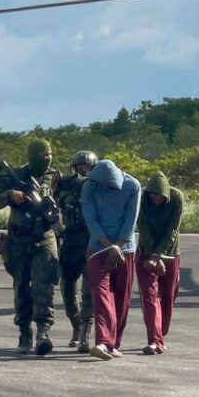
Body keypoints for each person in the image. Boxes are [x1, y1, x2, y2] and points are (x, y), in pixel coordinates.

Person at [0, 138, 62, 356]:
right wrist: (10, 196)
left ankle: (43, 333)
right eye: (42, 155)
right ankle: (24, 332)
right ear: (32, 156)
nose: (47, 159)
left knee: (44, 287)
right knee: (21, 287)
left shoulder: (55, 177)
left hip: (45, 238)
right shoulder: (15, 176)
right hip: (19, 240)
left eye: (49, 155)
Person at [81, 159, 141, 360]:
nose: (104, 187)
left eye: (108, 185)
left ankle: (114, 344)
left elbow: (130, 221)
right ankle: (103, 342)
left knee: (122, 297)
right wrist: (108, 246)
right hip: (98, 247)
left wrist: (119, 246)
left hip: (126, 247)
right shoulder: (89, 186)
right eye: (101, 183)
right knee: (101, 294)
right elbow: (91, 219)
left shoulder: (133, 186)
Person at [55, 150, 98, 352]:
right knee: (67, 288)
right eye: (80, 166)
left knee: (88, 291)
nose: (83, 169)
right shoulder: (64, 184)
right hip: (69, 241)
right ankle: (75, 326)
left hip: (90, 243)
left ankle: (85, 334)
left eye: (87, 167)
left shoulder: (98, 186)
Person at [136, 172, 183, 355]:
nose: (155, 198)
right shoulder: (142, 199)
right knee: (149, 297)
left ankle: (160, 334)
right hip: (146, 254)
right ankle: (154, 340)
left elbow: (173, 228)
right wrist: (152, 256)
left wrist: (160, 254)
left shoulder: (176, 197)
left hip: (170, 253)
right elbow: (143, 228)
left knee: (168, 296)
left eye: (159, 196)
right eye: (152, 195)